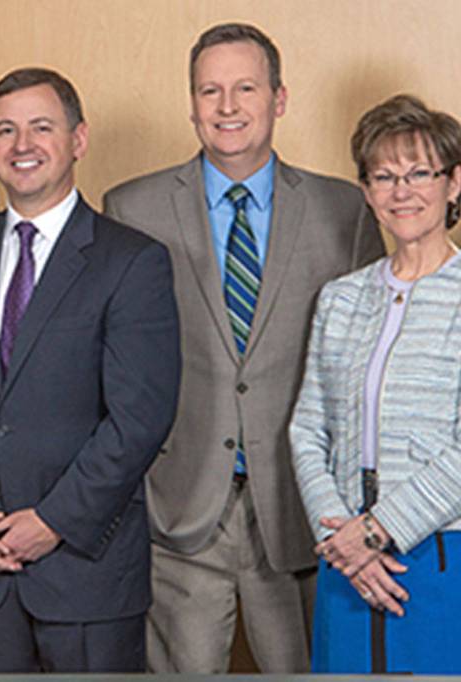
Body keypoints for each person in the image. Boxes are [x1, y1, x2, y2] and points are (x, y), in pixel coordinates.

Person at [102, 22, 384, 672]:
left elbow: (366, 371)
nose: (227, 106)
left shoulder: (346, 211)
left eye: (246, 89)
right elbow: (112, 367)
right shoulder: (132, 208)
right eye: (210, 91)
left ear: (279, 98)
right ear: (192, 103)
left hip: (301, 513)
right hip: (179, 510)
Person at [0, 67, 180, 673]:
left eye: (41, 127)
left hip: (88, 573)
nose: (22, 145)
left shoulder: (132, 261)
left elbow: (139, 420)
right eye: (5, 130)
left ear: (78, 139)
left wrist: (54, 521)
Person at [290, 94, 461, 674]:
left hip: (439, 557)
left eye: (419, 173)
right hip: (343, 559)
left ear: (453, 183)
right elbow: (307, 428)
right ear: (366, 192)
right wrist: (347, 540)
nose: (401, 191)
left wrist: (380, 530)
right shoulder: (341, 298)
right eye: (383, 177)